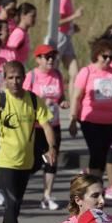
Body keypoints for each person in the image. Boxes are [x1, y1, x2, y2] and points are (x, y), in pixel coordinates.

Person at [0, 61, 56, 223]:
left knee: (14, 207)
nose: (15, 81)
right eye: (10, 78)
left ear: (24, 78)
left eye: (18, 77)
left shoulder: (33, 100)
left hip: (26, 162)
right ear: (4, 79)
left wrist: (52, 148)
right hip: (5, 162)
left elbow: (47, 125)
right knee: (11, 203)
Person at [69, 38, 112, 201]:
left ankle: (91, 183)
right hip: (89, 120)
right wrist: (73, 119)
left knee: (102, 155)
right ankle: (97, 189)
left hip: (110, 121)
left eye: (111, 56)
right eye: (104, 56)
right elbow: (76, 97)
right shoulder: (87, 72)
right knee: (96, 153)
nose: (108, 60)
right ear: (97, 55)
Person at [23, 44, 66, 210]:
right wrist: (40, 103)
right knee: (32, 163)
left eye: (52, 57)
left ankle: (47, 196)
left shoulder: (57, 75)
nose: (50, 60)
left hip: (53, 125)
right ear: (38, 59)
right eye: (46, 57)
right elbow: (23, 100)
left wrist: (62, 102)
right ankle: (8, 186)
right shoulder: (31, 76)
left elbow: (60, 96)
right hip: (36, 126)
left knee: (51, 160)